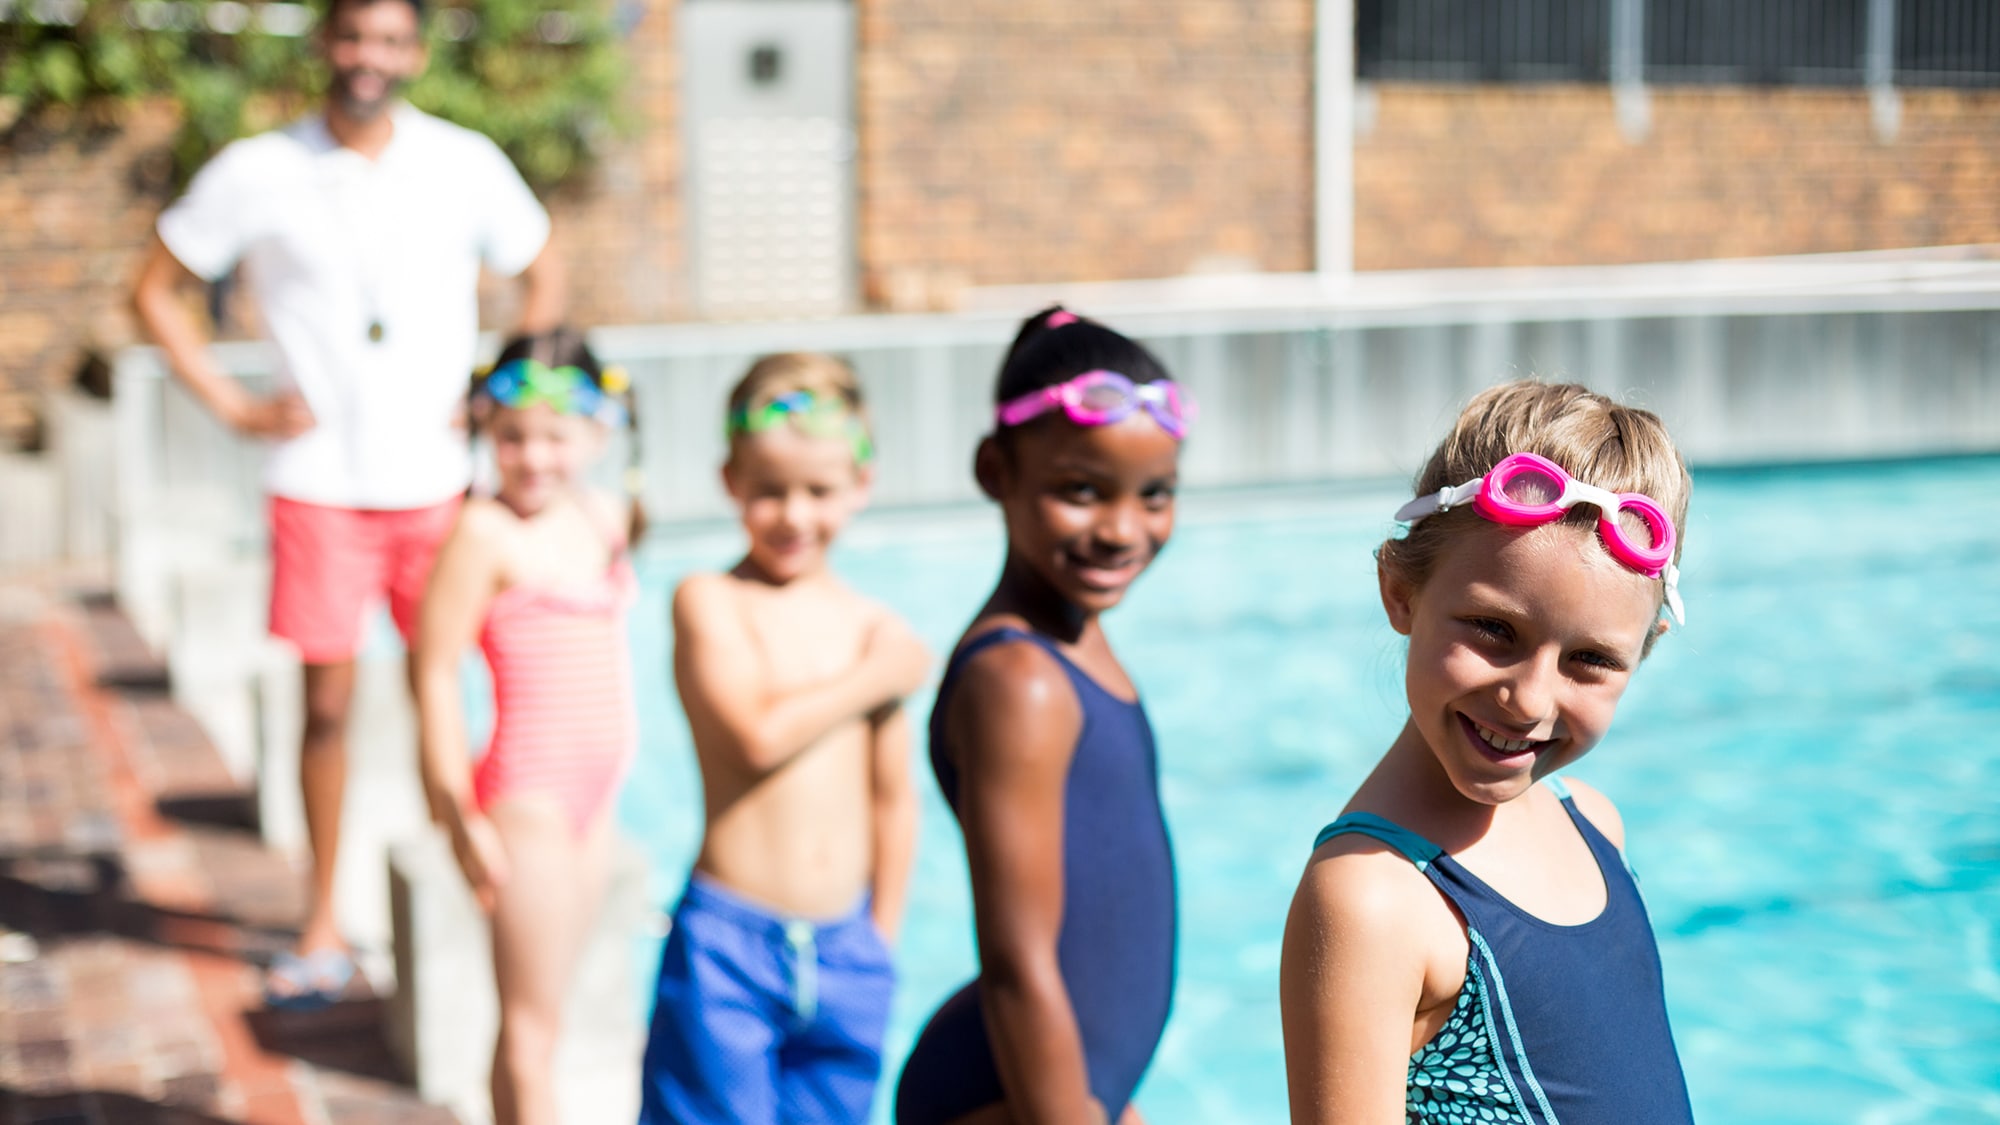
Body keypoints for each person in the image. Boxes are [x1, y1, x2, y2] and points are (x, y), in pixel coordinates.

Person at [129, 0, 564, 1009]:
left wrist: (499, 390)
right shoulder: (256, 169)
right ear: (325, 45)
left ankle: (468, 895)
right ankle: (323, 921)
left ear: (414, 54)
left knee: (444, 698)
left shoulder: (462, 160)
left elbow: (545, 274)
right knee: (325, 709)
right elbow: (154, 290)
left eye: (389, 40)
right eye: (353, 36)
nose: (369, 57)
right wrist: (234, 405)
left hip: (438, 486)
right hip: (319, 485)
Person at [1279, 380, 1698, 1124]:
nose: (1531, 701)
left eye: (1591, 660)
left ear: (1645, 652)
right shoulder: (1375, 898)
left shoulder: (1593, 824)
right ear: (1400, 589)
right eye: (1493, 629)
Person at [896, 307, 1190, 1125]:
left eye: (1155, 493)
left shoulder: (1075, 640)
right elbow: (1020, 960)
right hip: (1012, 1094)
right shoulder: (1018, 678)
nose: (1122, 529)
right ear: (997, 470)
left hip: (1067, 1083)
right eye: (1081, 490)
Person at [639, 353, 930, 1125]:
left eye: (819, 490)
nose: (793, 514)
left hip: (848, 953)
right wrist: (878, 676)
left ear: (860, 487)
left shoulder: (870, 626)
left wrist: (880, 938)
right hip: (726, 947)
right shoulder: (711, 601)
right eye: (769, 490)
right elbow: (756, 738)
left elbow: (894, 799)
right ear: (730, 481)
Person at [412, 329, 637, 1125]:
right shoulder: (482, 533)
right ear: (485, 432)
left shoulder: (604, 515)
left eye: (555, 436)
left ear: (596, 431)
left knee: (547, 1019)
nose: (533, 457)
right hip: (528, 795)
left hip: (597, 796)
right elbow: (434, 670)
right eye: (513, 437)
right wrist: (456, 809)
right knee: (533, 1030)